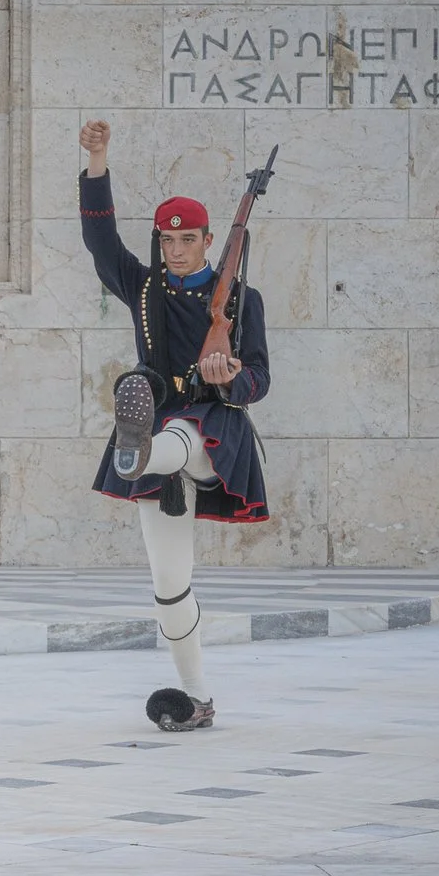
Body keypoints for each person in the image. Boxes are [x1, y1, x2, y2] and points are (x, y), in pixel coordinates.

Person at [78, 121, 271, 732]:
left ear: (211, 240)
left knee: (183, 440)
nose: (177, 250)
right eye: (168, 241)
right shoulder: (143, 288)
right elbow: (99, 239)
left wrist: (228, 375)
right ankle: (197, 698)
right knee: (169, 583)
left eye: (188, 240)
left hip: (214, 430)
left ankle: (141, 451)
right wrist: (98, 161)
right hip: (155, 416)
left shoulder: (240, 299)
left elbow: (259, 381)